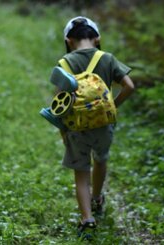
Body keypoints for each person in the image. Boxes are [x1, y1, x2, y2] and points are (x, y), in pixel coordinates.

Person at [52, 16, 135, 238]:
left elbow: (59, 105)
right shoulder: (107, 58)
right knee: (101, 160)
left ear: (69, 41)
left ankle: (87, 219)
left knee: (81, 172)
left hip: (77, 128)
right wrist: (112, 107)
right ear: (97, 38)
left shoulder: (64, 64)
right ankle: (97, 198)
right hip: (103, 126)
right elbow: (129, 86)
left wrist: (63, 131)